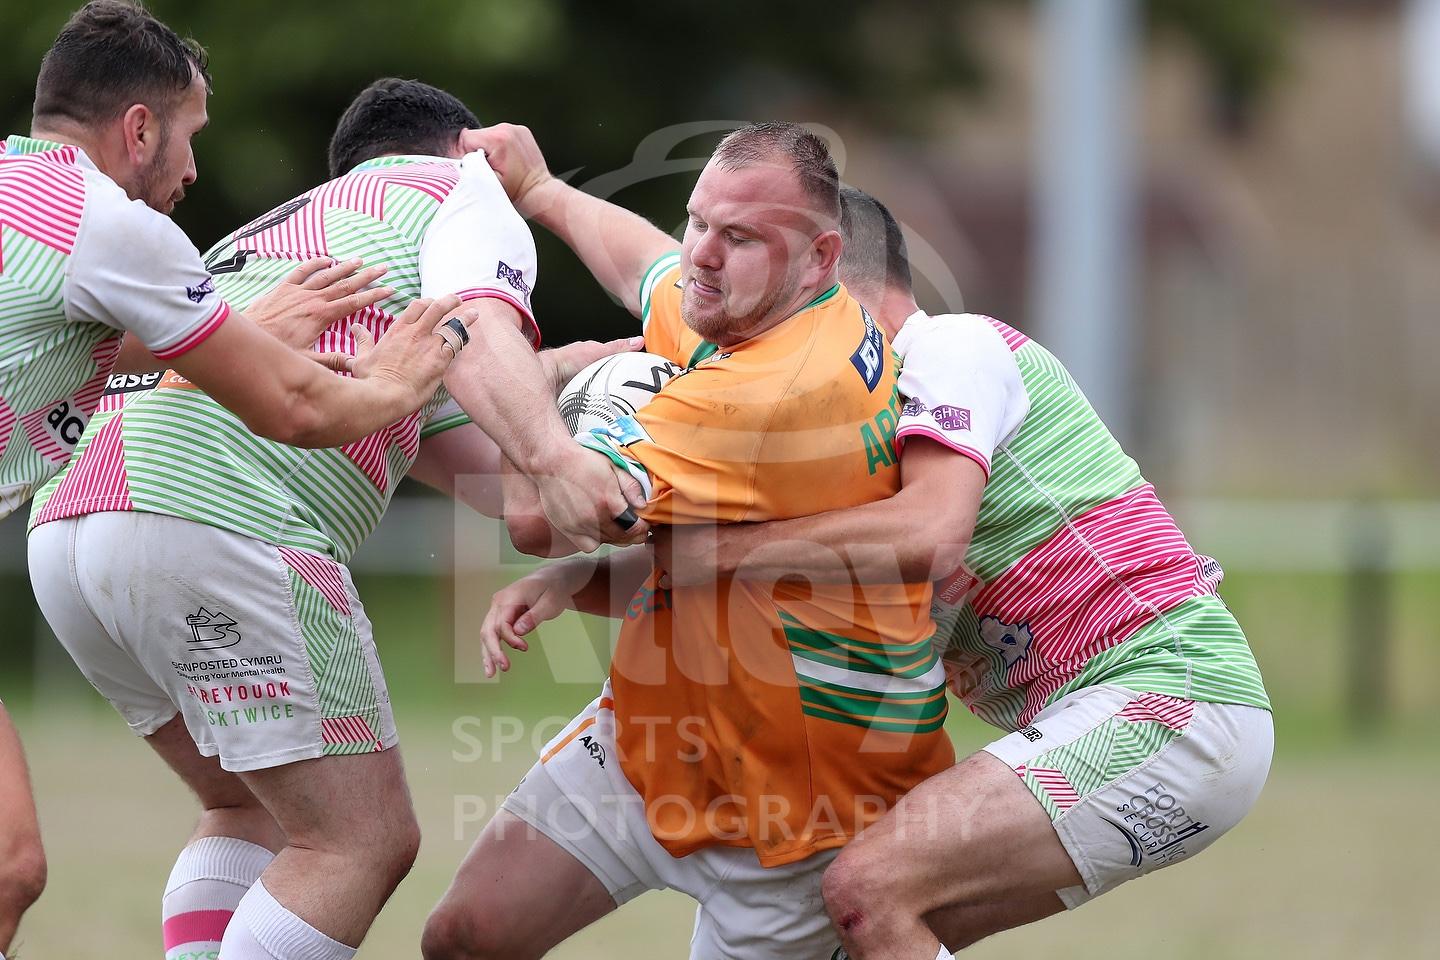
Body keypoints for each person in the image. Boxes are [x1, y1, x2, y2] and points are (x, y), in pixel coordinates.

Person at [25, 77, 631, 960]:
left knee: (248, 807)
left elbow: (519, 510)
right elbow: (483, 330)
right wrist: (576, 442)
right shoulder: (465, 190)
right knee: (358, 841)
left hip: (70, 526)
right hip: (220, 514)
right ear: (465, 147)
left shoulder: (294, 229)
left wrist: (556, 387)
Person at [645, 187, 1274, 958]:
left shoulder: (949, 350)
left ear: (824, 277)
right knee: (834, 932)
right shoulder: (869, 435)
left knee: (867, 889)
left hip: (1171, 701)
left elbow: (929, 538)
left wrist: (722, 556)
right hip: (1144, 720)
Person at [423, 122, 953, 960]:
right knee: (465, 938)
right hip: (658, 741)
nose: (703, 253)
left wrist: (528, 359)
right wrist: (539, 189)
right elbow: (649, 270)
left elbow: (531, 514)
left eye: (737, 236)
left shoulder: (768, 395)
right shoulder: (766, 305)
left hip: (796, 812)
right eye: (697, 220)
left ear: (820, 256)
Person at [0, 3, 456, 953]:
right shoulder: (111, 225)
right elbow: (297, 413)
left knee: (26, 861)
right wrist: (406, 375)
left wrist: (240, 341)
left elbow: (76, 337)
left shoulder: (23, 193)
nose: (195, 168)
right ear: (138, 128)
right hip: (198, 521)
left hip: (66, 532)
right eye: (190, 135)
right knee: (359, 840)